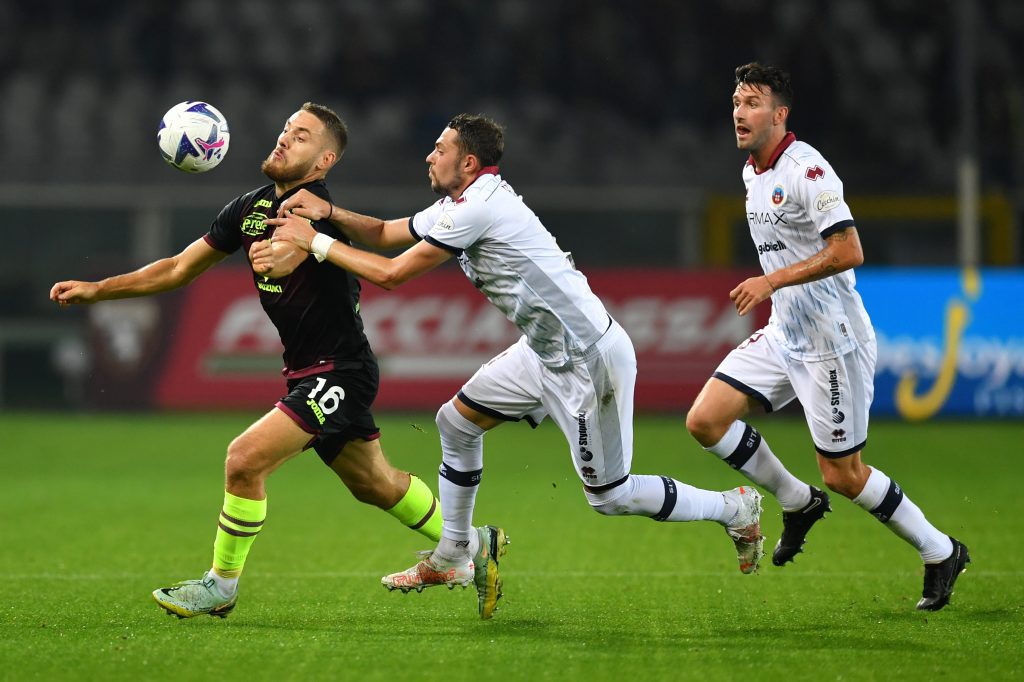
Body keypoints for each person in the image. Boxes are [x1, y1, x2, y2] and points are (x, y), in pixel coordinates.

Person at [257, 113, 766, 621]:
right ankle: (455, 553)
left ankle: (734, 508)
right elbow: (389, 234)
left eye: (440, 148)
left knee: (610, 496)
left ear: (469, 162)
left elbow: (391, 273)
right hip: (542, 352)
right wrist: (330, 211)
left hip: (590, 359)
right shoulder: (459, 203)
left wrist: (315, 239)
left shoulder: (480, 207)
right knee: (455, 422)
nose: (429, 155)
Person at [49, 102, 455, 619]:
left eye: (302, 136)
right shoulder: (248, 208)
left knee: (244, 460)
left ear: (323, 161)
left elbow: (300, 246)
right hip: (309, 370)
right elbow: (177, 268)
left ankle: (220, 586)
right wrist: (98, 290)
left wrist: (293, 250)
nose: (285, 138)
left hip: (341, 372)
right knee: (376, 485)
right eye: (286, 129)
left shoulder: (317, 212)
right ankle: (471, 541)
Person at [684, 63, 969, 611]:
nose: (739, 112)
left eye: (752, 102)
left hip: (832, 343)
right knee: (705, 420)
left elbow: (848, 251)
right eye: (736, 101)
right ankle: (796, 501)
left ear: (780, 113)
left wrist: (771, 280)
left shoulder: (807, 169)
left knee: (844, 474)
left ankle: (940, 551)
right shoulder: (752, 172)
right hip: (784, 334)